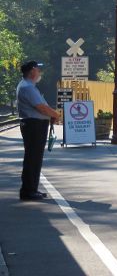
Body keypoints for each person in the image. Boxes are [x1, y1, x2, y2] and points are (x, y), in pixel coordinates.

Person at [16, 60, 60, 201]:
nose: (40, 72)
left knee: (34, 158)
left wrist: (50, 116)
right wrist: (55, 114)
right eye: (38, 70)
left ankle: (32, 189)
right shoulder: (27, 87)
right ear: (32, 71)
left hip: (35, 125)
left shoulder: (29, 86)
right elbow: (40, 107)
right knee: (33, 158)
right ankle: (28, 191)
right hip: (33, 125)